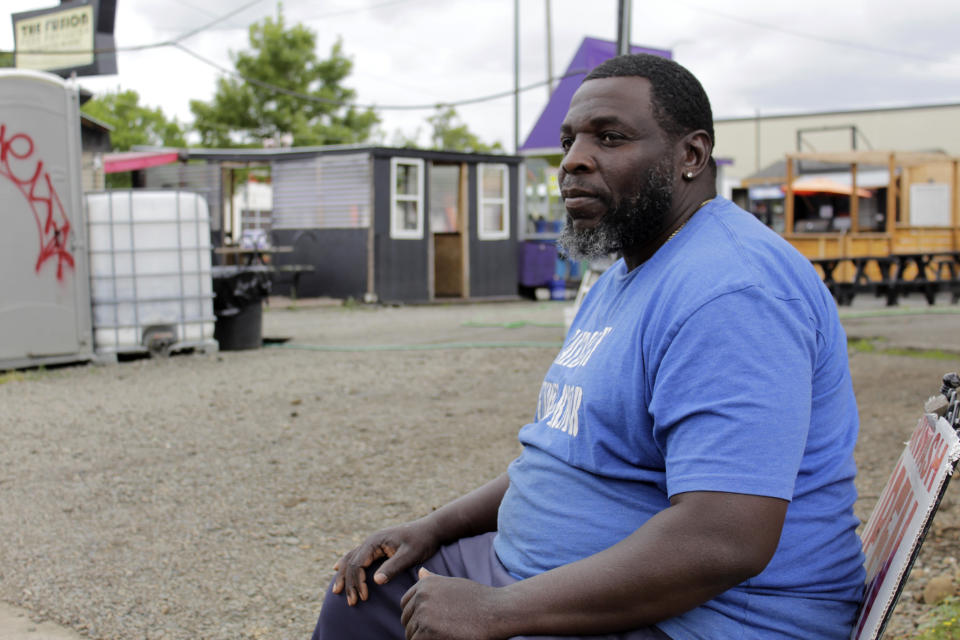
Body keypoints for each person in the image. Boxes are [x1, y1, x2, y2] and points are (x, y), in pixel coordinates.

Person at [310, 53, 865, 640]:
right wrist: (434, 527)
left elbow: (724, 539)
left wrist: (497, 613)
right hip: (543, 577)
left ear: (691, 157)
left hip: (704, 621)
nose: (574, 159)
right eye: (570, 139)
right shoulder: (629, 272)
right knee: (366, 593)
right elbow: (565, 455)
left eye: (611, 137)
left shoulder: (730, 291)